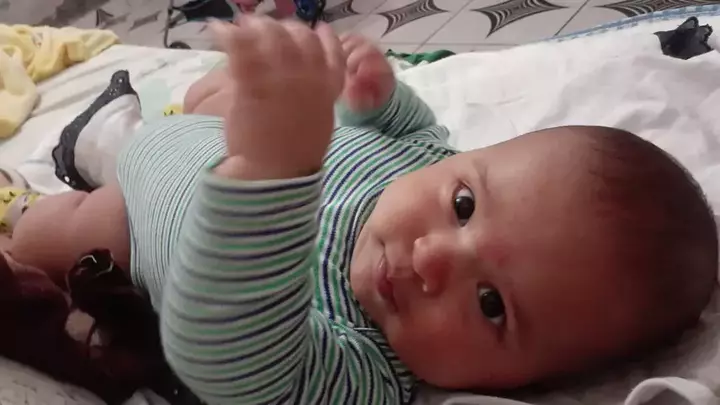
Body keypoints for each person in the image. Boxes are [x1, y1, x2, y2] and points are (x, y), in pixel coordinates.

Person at [2, 16, 717, 405]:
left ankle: (76, 168)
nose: (433, 257)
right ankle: (131, 129)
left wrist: (270, 173)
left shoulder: (361, 367)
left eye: (491, 305)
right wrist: (374, 93)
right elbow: (411, 126)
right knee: (230, 85)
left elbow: (228, 361)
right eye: (464, 204)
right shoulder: (424, 158)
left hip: (133, 221)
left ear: (525, 384)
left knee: (46, 237)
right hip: (215, 130)